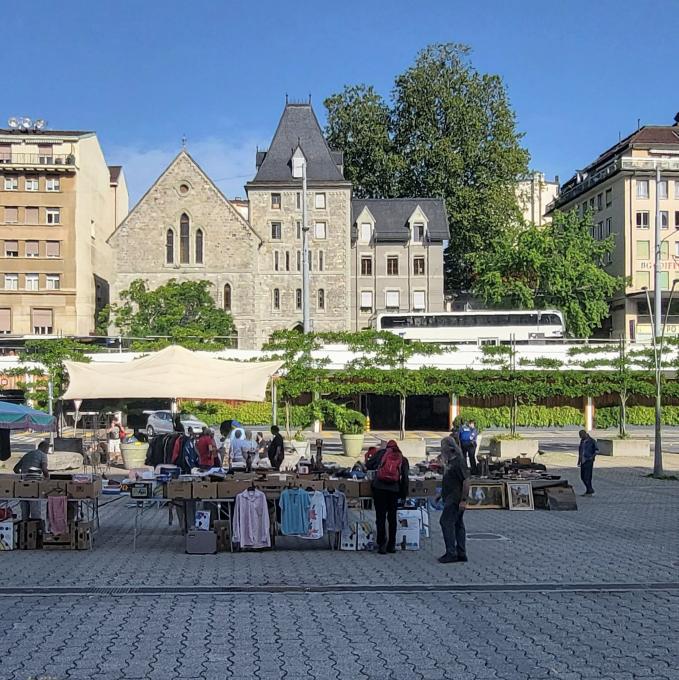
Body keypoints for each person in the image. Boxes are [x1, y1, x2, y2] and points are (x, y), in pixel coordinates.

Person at [366, 440, 409, 555]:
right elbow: (405, 479)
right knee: (392, 518)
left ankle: (381, 545)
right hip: (394, 490)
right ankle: (392, 545)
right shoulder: (402, 459)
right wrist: (403, 495)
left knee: (380, 517)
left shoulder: (381, 454)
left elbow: (368, 465)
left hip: (379, 488)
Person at [438, 432, 471, 564]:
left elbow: (466, 481)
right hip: (450, 497)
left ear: (449, 449)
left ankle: (451, 552)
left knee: (446, 522)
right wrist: (440, 495)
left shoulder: (458, 462)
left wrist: (463, 500)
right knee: (457, 524)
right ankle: (461, 552)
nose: (441, 450)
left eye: (442, 448)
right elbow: (450, 481)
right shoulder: (450, 462)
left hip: (455, 499)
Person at [14, 439, 49, 520]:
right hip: (34, 486)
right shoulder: (43, 455)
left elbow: (15, 469)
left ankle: (24, 529)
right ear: (45, 448)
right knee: (35, 513)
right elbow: (44, 469)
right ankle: (36, 530)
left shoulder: (28, 454)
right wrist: (47, 478)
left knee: (24, 514)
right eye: (47, 448)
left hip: (22, 486)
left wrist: (23, 476)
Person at [578, 429, 599, 495]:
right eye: (580, 436)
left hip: (588, 460)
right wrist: (579, 460)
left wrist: (592, 457)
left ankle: (589, 489)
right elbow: (580, 451)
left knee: (587, 476)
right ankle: (589, 489)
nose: (580, 437)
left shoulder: (592, 441)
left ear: (585, 434)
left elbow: (597, 450)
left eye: (581, 436)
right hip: (583, 461)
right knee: (582, 477)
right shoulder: (582, 441)